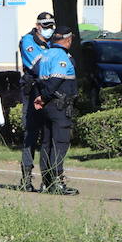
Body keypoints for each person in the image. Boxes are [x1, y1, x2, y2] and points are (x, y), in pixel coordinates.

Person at [33, 28, 80, 195]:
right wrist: (44, 97)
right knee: (59, 144)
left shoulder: (45, 55)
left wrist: (40, 98)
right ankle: (57, 183)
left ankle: (46, 183)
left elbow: (37, 79)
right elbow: (55, 81)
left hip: (47, 107)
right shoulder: (61, 57)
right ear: (68, 40)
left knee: (46, 143)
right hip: (59, 106)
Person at [16, 11, 55, 191]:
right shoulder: (28, 41)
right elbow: (38, 66)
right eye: (46, 27)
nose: (49, 30)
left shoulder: (53, 42)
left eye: (51, 26)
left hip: (49, 92)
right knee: (31, 135)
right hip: (33, 91)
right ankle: (26, 179)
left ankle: (49, 179)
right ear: (38, 26)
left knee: (49, 136)